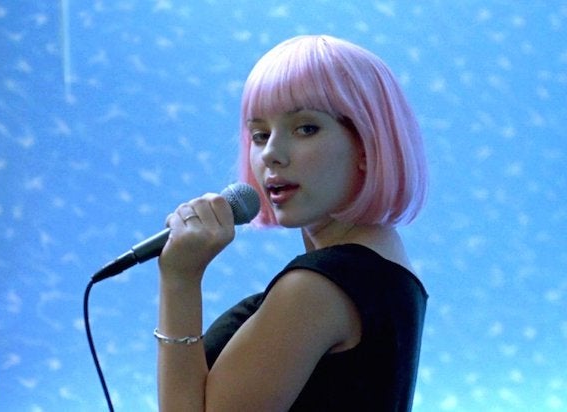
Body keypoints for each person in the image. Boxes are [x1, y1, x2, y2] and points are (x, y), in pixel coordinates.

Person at [156, 34, 428, 411]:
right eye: (259, 135)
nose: (271, 153)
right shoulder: (383, 260)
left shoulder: (317, 289)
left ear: (367, 145)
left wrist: (180, 280)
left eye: (305, 128)